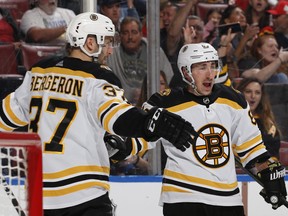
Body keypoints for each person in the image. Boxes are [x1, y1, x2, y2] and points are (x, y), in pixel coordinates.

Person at [0, 12, 197, 216]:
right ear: (90, 43)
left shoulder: (38, 71)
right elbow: (120, 119)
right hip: (83, 193)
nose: (111, 50)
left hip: (39, 195)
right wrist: (152, 123)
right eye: (108, 43)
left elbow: (6, 118)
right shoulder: (98, 78)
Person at [109, 42, 287, 215]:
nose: (210, 74)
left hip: (228, 200)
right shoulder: (165, 103)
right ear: (186, 71)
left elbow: (253, 149)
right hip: (183, 199)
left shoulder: (234, 99)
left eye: (213, 66)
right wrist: (122, 147)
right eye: (202, 67)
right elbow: (141, 138)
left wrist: (271, 176)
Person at [106, 16, 174, 105]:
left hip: (153, 101)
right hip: (120, 103)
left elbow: (167, 77)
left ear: (141, 34)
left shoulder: (154, 50)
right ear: (120, 36)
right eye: (125, 33)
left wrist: (147, 93)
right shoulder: (112, 54)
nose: (130, 37)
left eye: (134, 32)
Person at [237, 77, 281, 159]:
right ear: (240, 94)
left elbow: (273, 154)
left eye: (257, 93)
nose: (253, 96)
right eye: (248, 92)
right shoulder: (230, 120)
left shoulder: (268, 125)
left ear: (261, 96)